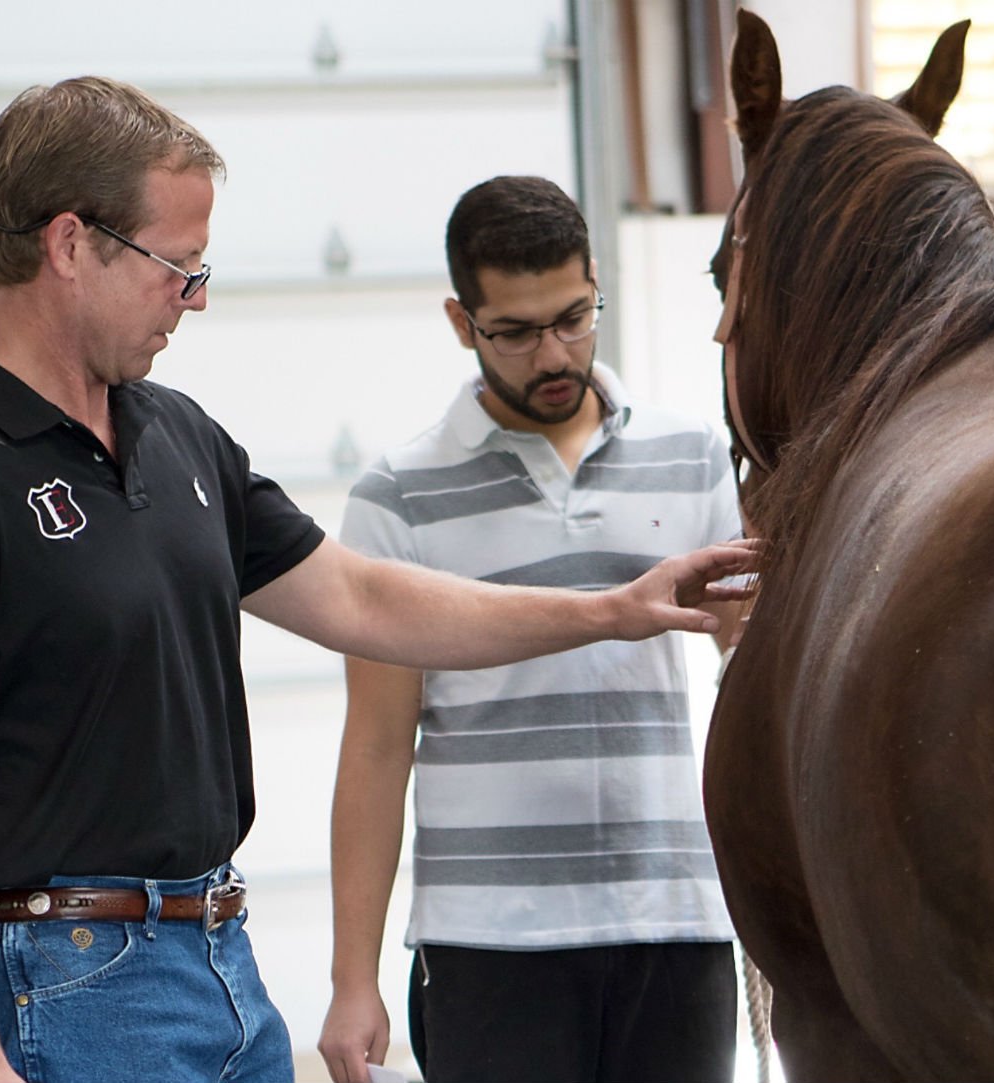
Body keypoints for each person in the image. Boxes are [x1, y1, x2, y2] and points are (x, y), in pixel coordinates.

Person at [0, 82, 755, 1083]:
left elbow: (365, 599)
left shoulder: (176, 434)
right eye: (177, 269)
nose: (195, 298)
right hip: (62, 982)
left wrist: (613, 611)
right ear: (70, 245)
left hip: (219, 962)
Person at [316, 176, 745, 1083]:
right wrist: (353, 980)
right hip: (488, 943)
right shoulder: (398, 496)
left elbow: (757, 678)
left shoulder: (694, 456)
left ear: (595, 282)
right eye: (514, 331)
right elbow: (378, 747)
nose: (554, 353)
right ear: (460, 320)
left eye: (575, 316)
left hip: (674, 922)